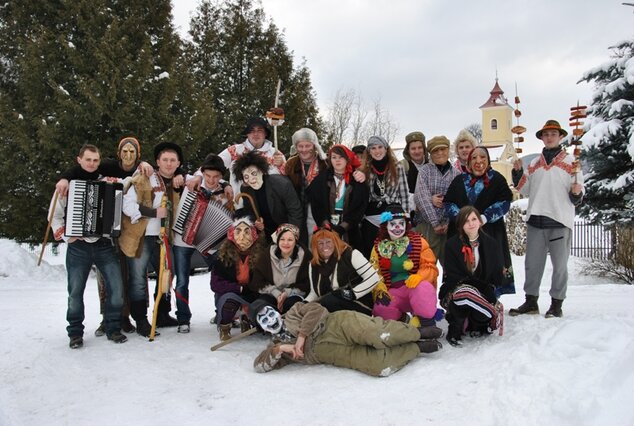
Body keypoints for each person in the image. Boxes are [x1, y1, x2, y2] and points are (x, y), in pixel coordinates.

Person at [49, 144, 127, 348]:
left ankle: (113, 327)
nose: (92, 163)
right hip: (78, 247)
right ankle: (75, 333)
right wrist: (68, 236)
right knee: (75, 292)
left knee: (116, 289)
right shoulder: (67, 185)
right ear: (79, 160)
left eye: (95, 160)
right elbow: (54, 216)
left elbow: (125, 188)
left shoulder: (108, 182)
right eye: (88, 159)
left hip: (104, 244)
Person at [509, 120, 584, 318]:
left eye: (553, 134)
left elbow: (577, 194)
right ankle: (531, 301)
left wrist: (576, 193)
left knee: (560, 265)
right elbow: (524, 189)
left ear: (560, 137)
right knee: (532, 264)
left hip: (559, 220)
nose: (549, 137)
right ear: (541, 137)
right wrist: (517, 172)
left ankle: (556, 303)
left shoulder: (571, 163)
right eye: (546, 134)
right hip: (536, 219)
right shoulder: (534, 164)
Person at [251, 300, 443, 377]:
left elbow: (316, 309)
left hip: (337, 325)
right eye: (263, 319)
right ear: (262, 327)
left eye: (269, 313)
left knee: (377, 335)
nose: (270, 319)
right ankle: (416, 348)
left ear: (276, 311)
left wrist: (301, 337)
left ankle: (417, 333)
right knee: (379, 368)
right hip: (334, 353)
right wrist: (279, 350)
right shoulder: (276, 347)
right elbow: (259, 366)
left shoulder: (293, 312)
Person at [119, 142, 184, 337]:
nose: (169, 164)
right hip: (142, 236)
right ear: (157, 162)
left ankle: (162, 314)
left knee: (167, 275)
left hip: (163, 237)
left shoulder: (177, 182)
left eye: (173, 160)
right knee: (138, 279)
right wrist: (155, 212)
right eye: (165, 160)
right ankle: (140, 319)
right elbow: (127, 205)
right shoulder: (144, 177)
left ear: (178, 163)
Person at [172, 154, 232, 333]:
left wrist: (227, 186)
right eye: (208, 176)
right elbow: (178, 175)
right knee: (182, 280)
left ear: (221, 176)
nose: (212, 180)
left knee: (219, 277)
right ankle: (183, 319)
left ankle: (221, 314)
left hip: (209, 242)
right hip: (182, 239)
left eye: (216, 177)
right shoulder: (191, 184)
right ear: (202, 172)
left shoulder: (225, 192)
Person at [444, 146, 515, 296]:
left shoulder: (497, 179)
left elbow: (505, 201)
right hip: (462, 234)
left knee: (489, 265)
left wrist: (484, 217)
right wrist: (462, 219)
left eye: (482, 157)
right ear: (469, 162)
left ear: (488, 160)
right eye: (474, 157)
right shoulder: (459, 180)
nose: (478, 161)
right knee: (463, 266)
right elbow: (448, 202)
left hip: (489, 232)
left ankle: (490, 300)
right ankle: (462, 297)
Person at [439, 206, 504, 346]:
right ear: (461, 225)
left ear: (480, 221)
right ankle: (457, 326)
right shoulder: (452, 244)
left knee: (479, 302)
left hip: (483, 294)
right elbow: (454, 276)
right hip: (457, 292)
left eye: (474, 219)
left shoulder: (491, 244)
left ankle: (480, 320)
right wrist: (475, 288)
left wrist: (488, 292)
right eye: (466, 221)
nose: (471, 223)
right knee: (465, 293)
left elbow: (496, 274)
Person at [370, 204, 440, 327]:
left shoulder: (419, 241)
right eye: (393, 224)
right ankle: (402, 323)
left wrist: (419, 277)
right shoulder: (378, 247)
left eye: (401, 223)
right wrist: (380, 289)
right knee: (382, 307)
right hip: (394, 292)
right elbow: (375, 272)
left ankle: (426, 324)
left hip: (415, 289)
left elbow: (430, 266)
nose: (397, 227)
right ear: (385, 226)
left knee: (422, 289)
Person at [209, 211, 266, 340]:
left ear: (254, 234)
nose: (242, 237)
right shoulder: (222, 257)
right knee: (229, 300)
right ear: (232, 234)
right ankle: (225, 326)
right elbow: (215, 284)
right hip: (232, 293)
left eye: (247, 232)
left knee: (263, 300)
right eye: (238, 232)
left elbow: (265, 280)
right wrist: (238, 289)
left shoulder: (262, 255)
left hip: (252, 293)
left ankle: (247, 318)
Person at [353, 135, 410, 258]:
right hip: (371, 218)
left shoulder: (397, 167)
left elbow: (404, 195)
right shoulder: (365, 169)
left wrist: (406, 217)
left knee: (392, 255)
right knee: (372, 254)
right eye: (373, 148)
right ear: (369, 151)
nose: (377, 151)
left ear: (386, 149)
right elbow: (362, 197)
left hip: (392, 216)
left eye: (380, 147)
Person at [305, 226, 379, 315]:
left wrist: (352, 294)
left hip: (357, 303)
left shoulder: (351, 254)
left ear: (335, 241)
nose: (325, 246)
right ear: (315, 246)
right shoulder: (313, 265)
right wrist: (304, 303)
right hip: (329, 305)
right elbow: (314, 293)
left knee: (329, 301)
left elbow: (374, 278)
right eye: (320, 243)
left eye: (328, 241)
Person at [232, 151, 303, 239]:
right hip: (266, 235)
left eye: (254, 173)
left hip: (287, 230)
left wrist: (289, 236)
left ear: (262, 171)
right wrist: (255, 222)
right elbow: (249, 211)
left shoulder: (282, 184)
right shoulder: (245, 189)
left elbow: (295, 212)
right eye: (246, 177)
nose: (251, 179)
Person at [414, 136, 461, 266]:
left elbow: (458, 200)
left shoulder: (456, 174)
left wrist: (447, 222)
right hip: (427, 226)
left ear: (448, 150)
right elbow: (421, 197)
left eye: (443, 149)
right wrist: (435, 223)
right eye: (436, 151)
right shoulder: (425, 171)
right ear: (431, 154)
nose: (440, 153)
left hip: (449, 227)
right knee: (426, 267)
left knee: (452, 266)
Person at [308, 144, 368, 247]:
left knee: (350, 256)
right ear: (330, 159)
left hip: (350, 229)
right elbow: (316, 204)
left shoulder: (356, 180)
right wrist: (326, 225)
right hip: (326, 226)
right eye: (334, 157)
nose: (337, 160)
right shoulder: (321, 179)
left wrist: (343, 227)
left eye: (341, 157)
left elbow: (360, 207)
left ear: (347, 159)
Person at [248, 223, 310, 314]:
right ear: (277, 240)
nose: (285, 243)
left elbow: (307, 284)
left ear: (295, 241)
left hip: (293, 294)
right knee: (262, 306)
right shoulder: (267, 255)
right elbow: (258, 281)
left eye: (290, 240)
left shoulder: (305, 257)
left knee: (292, 306)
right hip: (271, 293)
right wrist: (276, 293)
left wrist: (287, 293)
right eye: (282, 239)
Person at [218, 117, 286, 194]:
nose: (255, 134)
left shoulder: (276, 154)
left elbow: (287, 182)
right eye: (252, 130)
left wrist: (282, 166)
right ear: (247, 133)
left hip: (270, 203)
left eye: (259, 130)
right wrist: (224, 184)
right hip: (240, 203)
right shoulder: (234, 151)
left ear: (265, 133)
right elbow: (210, 168)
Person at [284, 128, 327, 245]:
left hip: (321, 210)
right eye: (300, 146)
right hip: (298, 210)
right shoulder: (290, 164)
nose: (304, 150)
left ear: (314, 145)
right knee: (303, 242)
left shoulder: (325, 162)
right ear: (295, 147)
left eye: (307, 146)